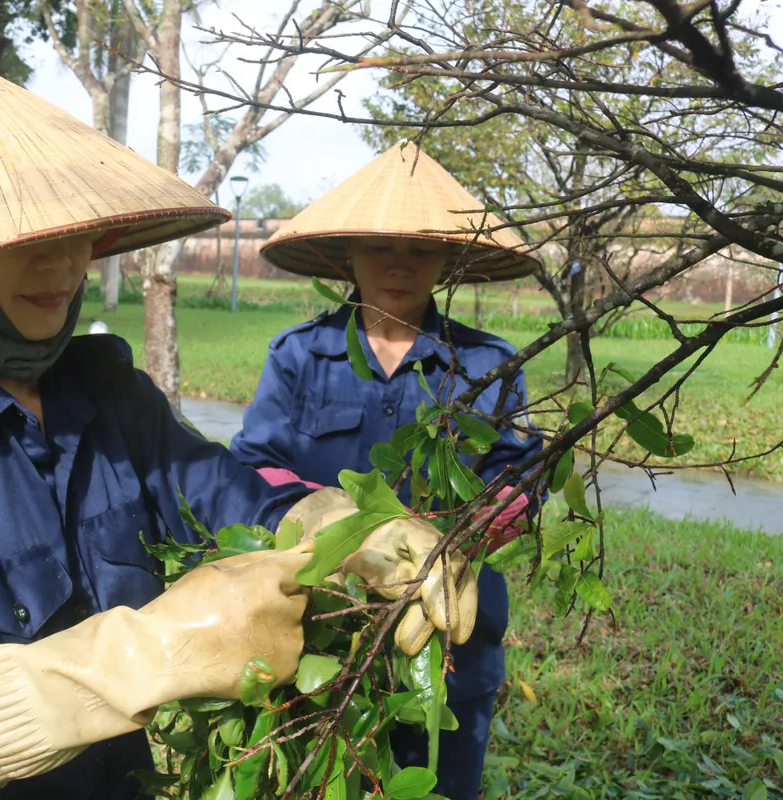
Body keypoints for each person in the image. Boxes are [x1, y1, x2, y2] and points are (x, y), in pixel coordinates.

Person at [0, 59, 477, 800]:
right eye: (19, 236)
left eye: (77, 231)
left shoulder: (109, 397)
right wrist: (136, 659)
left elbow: (222, 490)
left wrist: (343, 525)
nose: (63, 262)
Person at [230, 141, 543, 800]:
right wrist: (334, 528)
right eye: (379, 247)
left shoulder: (488, 363)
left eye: (421, 249)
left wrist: (486, 518)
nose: (399, 266)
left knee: (433, 781)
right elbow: (253, 468)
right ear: (348, 255)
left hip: (449, 633)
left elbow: (519, 474)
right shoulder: (299, 357)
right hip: (320, 629)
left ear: (448, 258)